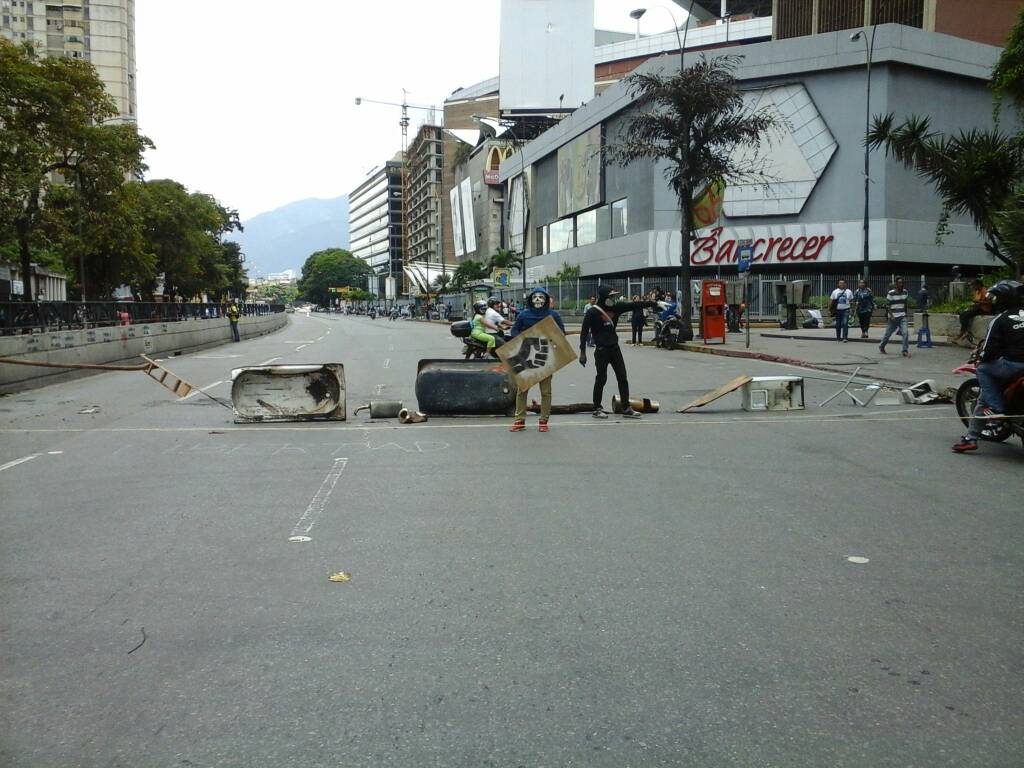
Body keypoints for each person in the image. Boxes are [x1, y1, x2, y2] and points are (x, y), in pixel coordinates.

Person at [952, 280, 1024, 453]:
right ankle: (972, 436)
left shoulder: (1000, 319)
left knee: (983, 369)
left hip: (1014, 365)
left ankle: (996, 408)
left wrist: (981, 359)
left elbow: (989, 349)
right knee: (986, 392)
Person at [579, 285, 659, 419]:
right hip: (601, 350)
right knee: (601, 378)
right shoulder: (592, 312)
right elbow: (584, 332)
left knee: (622, 377)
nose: (613, 298)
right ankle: (597, 408)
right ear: (604, 297)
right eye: (611, 296)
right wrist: (582, 352)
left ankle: (626, 407)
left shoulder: (616, 308)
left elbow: (635, 305)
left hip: (614, 348)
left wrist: (653, 302)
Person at [508, 289, 566, 433]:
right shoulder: (524, 315)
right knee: (522, 389)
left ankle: (543, 421)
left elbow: (561, 332)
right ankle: (519, 420)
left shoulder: (553, 315)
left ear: (546, 299)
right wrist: (522, 339)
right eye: (535, 297)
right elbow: (514, 330)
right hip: (527, 355)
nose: (538, 299)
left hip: (545, 356)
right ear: (531, 299)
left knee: (546, 391)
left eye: (541, 297)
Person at [954, 279, 994, 346]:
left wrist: (979, 302)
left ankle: (962, 333)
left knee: (965, 315)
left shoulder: (985, 291)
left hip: (984, 309)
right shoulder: (977, 291)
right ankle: (965, 331)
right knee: (962, 314)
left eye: (974, 286)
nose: (973, 287)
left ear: (978, 285)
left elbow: (990, 302)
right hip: (978, 307)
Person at [879, 277, 911, 357]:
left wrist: (906, 314)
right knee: (888, 334)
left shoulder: (905, 292)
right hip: (893, 317)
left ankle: (904, 350)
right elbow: (887, 305)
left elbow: (905, 304)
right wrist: (891, 315)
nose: (901, 284)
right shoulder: (891, 293)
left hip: (902, 316)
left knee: (905, 333)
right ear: (896, 284)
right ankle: (881, 346)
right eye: (899, 283)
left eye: (902, 282)